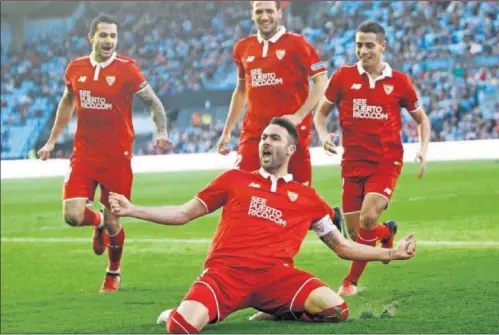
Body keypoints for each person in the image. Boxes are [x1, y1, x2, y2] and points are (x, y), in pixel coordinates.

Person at [109, 118, 417, 334]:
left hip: (275, 278)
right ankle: (185, 310)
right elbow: (182, 213)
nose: (265, 143)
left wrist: (392, 254)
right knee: (181, 327)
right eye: (264, 138)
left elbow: (342, 246)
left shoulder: (308, 198)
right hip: (225, 275)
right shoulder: (234, 179)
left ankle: (275, 310)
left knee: (336, 311)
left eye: (274, 138)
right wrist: (133, 209)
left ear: (291, 150)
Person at [37, 14, 171, 293]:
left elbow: (154, 104)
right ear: (91, 38)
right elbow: (67, 103)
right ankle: (95, 221)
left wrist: (161, 132)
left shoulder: (128, 70)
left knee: (114, 222)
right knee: (72, 216)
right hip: (84, 154)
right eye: (104, 35)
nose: (109, 41)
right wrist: (51, 141)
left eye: (113, 36)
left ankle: (113, 272)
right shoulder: (75, 68)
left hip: (116, 158)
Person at [314, 20, 430, 296]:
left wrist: (424, 149)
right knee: (357, 237)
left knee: (367, 217)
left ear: (382, 45)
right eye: (358, 45)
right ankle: (385, 233)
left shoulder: (399, 82)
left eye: (369, 45)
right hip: (353, 163)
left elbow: (421, 119)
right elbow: (320, 114)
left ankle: (349, 282)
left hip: (385, 162)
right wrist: (324, 135)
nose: (363, 51)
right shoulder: (342, 76)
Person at [217, 0, 328, 186]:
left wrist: (299, 115)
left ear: (279, 13)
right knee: (244, 190)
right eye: (259, 12)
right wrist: (227, 130)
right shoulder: (243, 48)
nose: (264, 16)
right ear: (252, 14)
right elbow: (242, 90)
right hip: (254, 133)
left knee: (298, 199)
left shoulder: (297, 44)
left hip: (291, 133)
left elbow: (321, 80)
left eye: (269, 11)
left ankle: (329, 216)